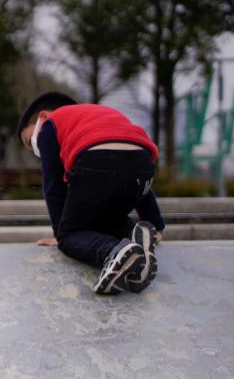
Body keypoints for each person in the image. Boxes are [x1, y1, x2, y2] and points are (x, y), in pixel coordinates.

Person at [17, 92, 164, 295]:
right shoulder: (99, 114)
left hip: (96, 160)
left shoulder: (50, 124)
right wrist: (155, 224)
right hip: (143, 164)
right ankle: (136, 237)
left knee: (70, 236)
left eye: (29, 140)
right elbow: (133, 165)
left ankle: (114, 251)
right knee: (104, 221)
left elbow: (54, 188)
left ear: (42, 116)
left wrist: (60, 234)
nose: (35, 149)